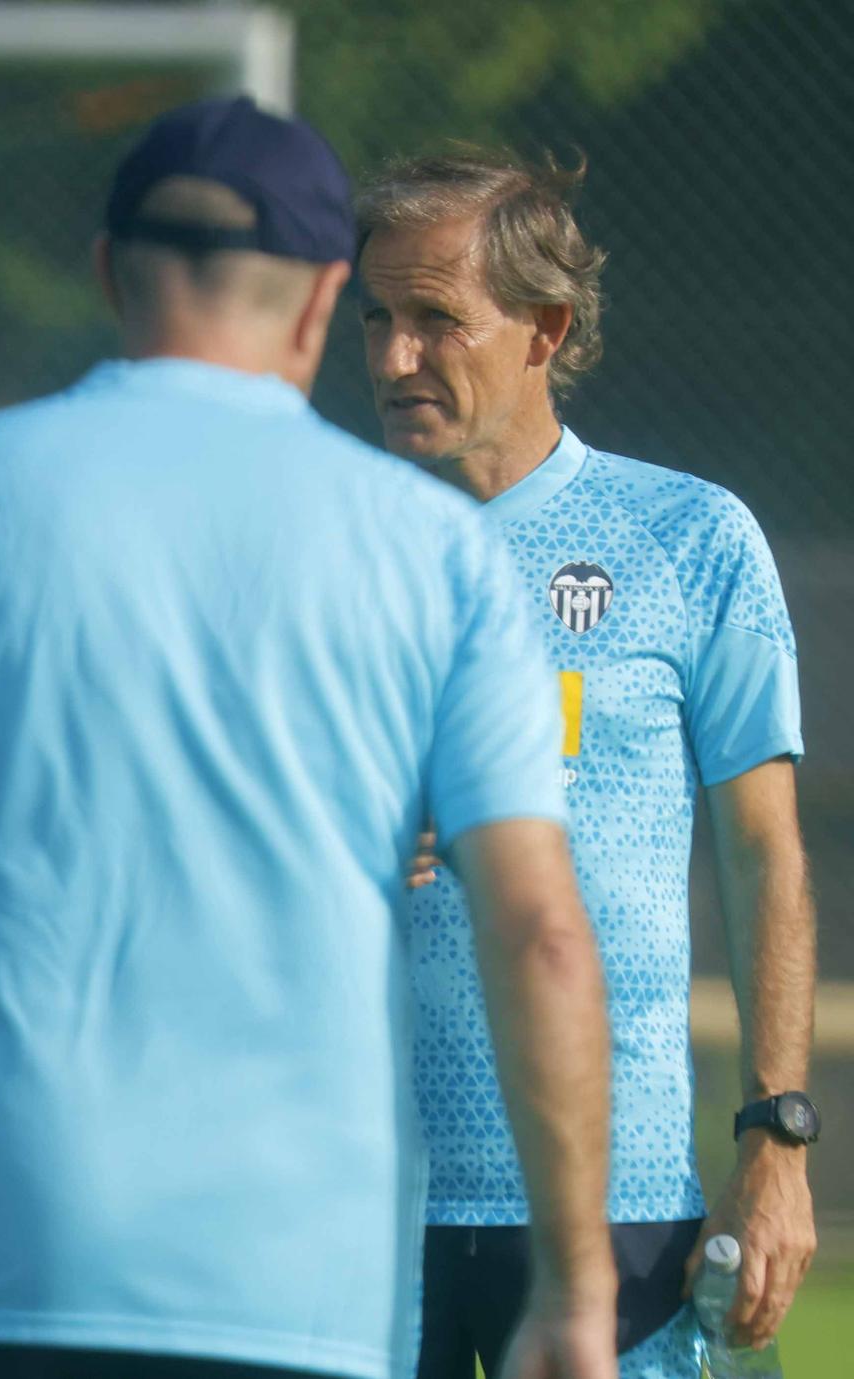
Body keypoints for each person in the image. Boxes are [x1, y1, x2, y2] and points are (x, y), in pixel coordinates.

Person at [0, 98, 617, 1379]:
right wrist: (575, 1291)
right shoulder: (432, 555)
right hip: (296, 1310)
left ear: (104, 274)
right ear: (319, 303)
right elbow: (539, 933)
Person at [357, 150, 818, 1379]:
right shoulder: (314, 550)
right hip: (345, 1204)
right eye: (375, 317)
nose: (394, 356)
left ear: (541, 330)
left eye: (434, 319)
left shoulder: (685, 536)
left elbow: (764, 853)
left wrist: (775, 1140)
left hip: (613, 1206)